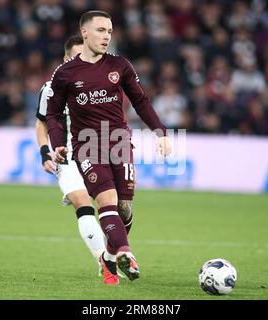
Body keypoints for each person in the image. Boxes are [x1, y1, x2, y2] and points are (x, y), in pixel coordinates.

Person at [46, 11, 171, 285]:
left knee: (125, 208)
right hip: (87, 145)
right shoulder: (65, 73)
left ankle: (110, 257)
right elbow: (52, 115)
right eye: (101, 30)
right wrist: (56, 144)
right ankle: (125, 252)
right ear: (85, 32)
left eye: (110, 31)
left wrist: (160, 132)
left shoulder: (120, 65)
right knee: (106, 200)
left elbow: (141, 100)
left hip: (120, 143)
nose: (106, 36)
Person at [35, 35, 106, 276]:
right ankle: (103, 260)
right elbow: (41, 123)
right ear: (66, 59)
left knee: (114, 208)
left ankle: (116, 251)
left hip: (98, 154)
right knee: (82, 203)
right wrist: (46, 152)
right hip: (66, 159)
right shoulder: (50, 89)